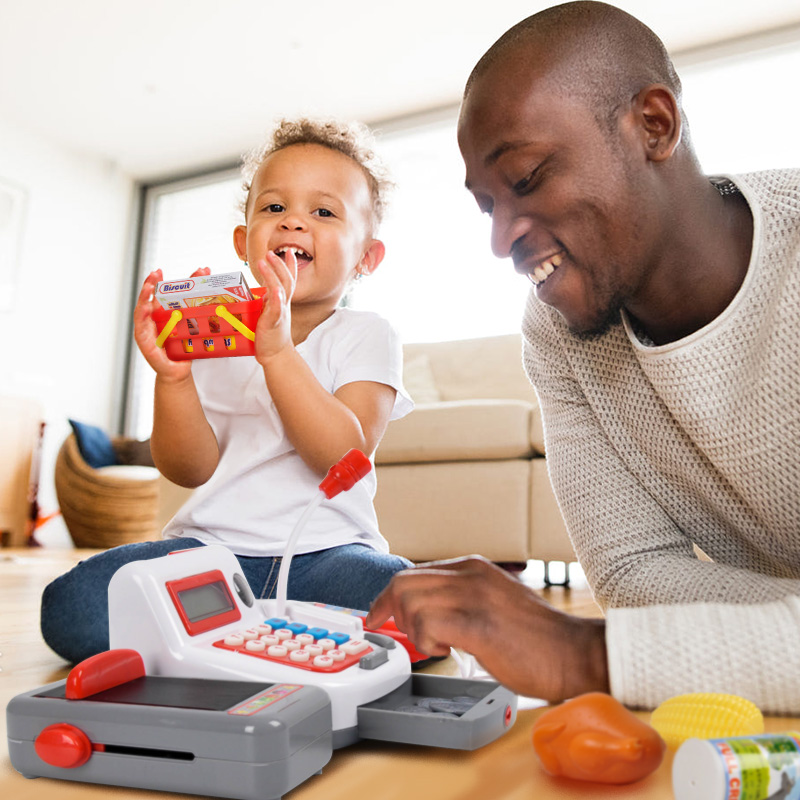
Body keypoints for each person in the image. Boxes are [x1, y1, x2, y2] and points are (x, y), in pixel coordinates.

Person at [367, 1, 800, 714]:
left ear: (653, 126)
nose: (501, 240)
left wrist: (582, 654)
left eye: (529, 178)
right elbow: (634, 573)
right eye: (488, 207)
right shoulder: (558, 331)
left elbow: (632, 617)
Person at [42, 118, 414, 665]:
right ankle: (272, 640)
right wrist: (173, 376)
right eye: (273, 208)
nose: (292, 223)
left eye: (323, 212)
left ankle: (219, 643)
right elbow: (187, 468)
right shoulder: (214, 334)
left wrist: (277, 353)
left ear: (366, 258)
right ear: (244, 243)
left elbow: (345, 455)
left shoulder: (365, 334)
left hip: (327, 557)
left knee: (409, 599)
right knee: (72, 608)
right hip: (208, 559)